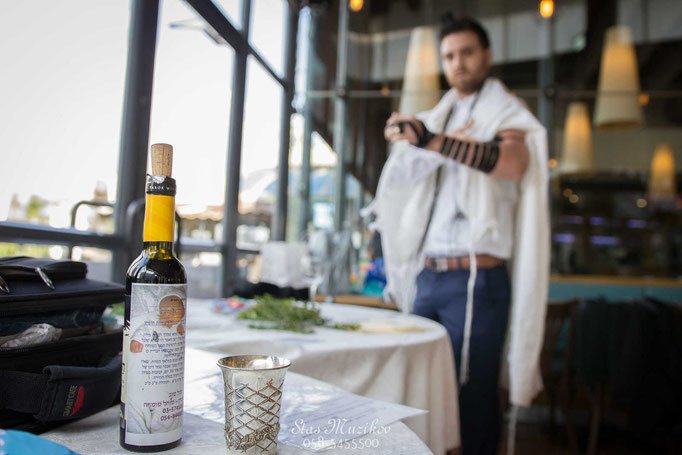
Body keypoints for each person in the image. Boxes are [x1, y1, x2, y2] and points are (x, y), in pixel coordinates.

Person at [372, 14, 550, 455]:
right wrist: (413, 139)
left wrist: (433, 141)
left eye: (466, 52)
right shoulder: (441, 114)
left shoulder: (505, 112)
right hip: (428, 274)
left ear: (486, 55)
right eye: (449, 56)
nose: (458, 63)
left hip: (477, 279)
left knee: (472, 396)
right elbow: (400, 179)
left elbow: (512, 163)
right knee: (419, 388)